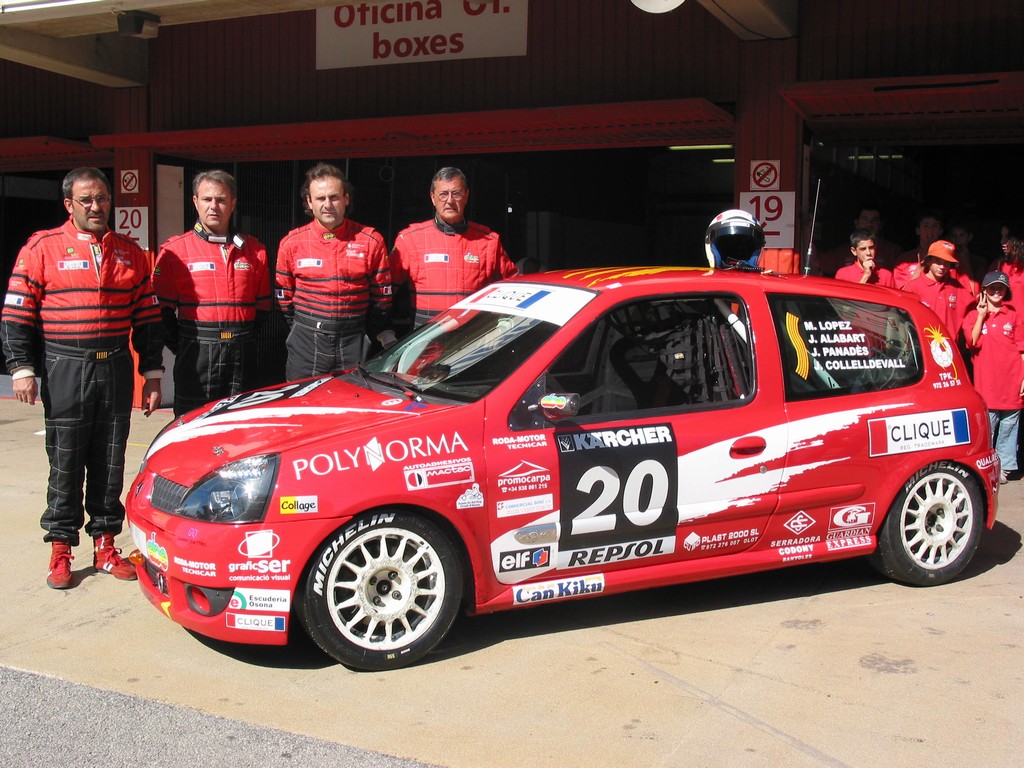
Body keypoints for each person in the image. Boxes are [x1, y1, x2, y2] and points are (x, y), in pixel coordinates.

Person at [0, 167, 164, 589]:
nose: (96, 206)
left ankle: (106, 545)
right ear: (69, 204)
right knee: (66, 460)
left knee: (110, 459)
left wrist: (151, 372)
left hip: (115, 367)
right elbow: (16, 314)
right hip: (65, 366)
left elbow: (147, 318)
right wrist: (21, 368)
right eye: (86, 199)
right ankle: (60, 548)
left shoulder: (130, 252)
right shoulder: (42, 247)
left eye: (103, 198)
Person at [153, 169, 271, 416]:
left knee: (241, 423)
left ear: (233, 203)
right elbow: (160, 312)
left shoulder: (254, 250)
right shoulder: (174, 251)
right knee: (193, 422)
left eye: (221, 200)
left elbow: (263, 308)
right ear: (195, 201)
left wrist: (239, 339)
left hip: (242, 353)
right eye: (207, 199)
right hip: (196, 354)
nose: (214, 206)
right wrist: (186, 344)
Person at [276, 163, 394, 380]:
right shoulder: (291, 243)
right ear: (309, 202)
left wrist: (363, 330)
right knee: (303, 398)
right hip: (306, 340)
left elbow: (382, 297)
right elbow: (283, 297)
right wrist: (304, 326)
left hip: (353, 340)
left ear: (346, 198)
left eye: (334, 197)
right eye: (320, 198)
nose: (327, 204)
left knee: (353, 399)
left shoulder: (371, 240)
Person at [390, 167, 518, 328]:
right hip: (426, 337)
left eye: (456, 193)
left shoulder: (489, 241)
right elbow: (383, 290)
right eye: (443, 194)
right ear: (433, 198)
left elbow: (514, 286)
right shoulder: (410, 239)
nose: (449, 200)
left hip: (473, 337)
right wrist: (383, 331)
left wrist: (504, 324)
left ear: (466, 196)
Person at [962, 271, 1024, 483]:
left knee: (1009, 428)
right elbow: (971, 341)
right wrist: (981, 315)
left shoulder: (1013, 316)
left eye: (1001, 288)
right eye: (992, 288)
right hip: (986, 384)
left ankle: (1004, 467)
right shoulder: (973, 316)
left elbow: (1022, 350)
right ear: (984, 291)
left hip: (1012, 381)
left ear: (1006, 290)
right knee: (987, 427)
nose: (997, 292)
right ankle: (986, 467)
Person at [901, 239, 973, 339]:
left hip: (949, 345)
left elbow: (973, 308)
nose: (942, 266)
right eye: (938, 262)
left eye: (947, 263)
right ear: (929, 261)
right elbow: (901, 316)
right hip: (923, 344)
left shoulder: (956, 287)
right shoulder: (914, 286)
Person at [818, 204, 903, 276]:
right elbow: (817, 264)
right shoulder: (843, 252)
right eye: (865, 219)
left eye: (874, 220)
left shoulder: (893, 252)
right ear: (856, 223)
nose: (869, 224)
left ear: (881, 225)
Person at [893, 208, 944, 289]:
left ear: (940, 231)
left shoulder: (948, 260)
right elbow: (901, 292)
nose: (930, 230)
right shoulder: (905, 259)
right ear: (918, 230)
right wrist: (921, 267)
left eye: (935, 226)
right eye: (925, 226)